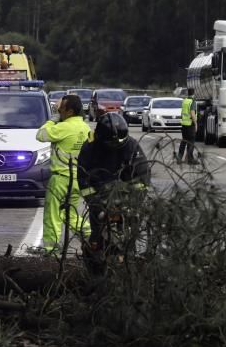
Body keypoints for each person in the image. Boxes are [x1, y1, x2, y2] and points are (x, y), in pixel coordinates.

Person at [77, 112, 150, 252]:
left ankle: (129, 257)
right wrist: (97, 206)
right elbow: (84, 180)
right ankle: (96, 259)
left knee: (130, 232)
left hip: (126, 192)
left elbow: (142, 176)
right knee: (97, 233)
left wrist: (132, 204)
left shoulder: (131, 146)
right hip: (100, 193)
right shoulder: (89, 148)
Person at [32, 93, 91, 254]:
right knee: (69, 213)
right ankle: (88, 232)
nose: (60, 111)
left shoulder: (64, 127)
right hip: (78, 180)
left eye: (61, 109)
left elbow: (41, 135)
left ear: (70, 111)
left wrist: (54, 118)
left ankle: (50, 248)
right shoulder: (86, 128)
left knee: (52, 215)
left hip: (60, 180)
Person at [178, 87, 198, 164]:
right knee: (191, 142)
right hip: (190, 124)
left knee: (184, 141)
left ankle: (179, 157)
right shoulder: (192, 101)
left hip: (184, 124)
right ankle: (190, 159)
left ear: (188, 93)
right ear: (193, 93)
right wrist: (195, 124)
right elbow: (192, 114)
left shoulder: (184, 101)